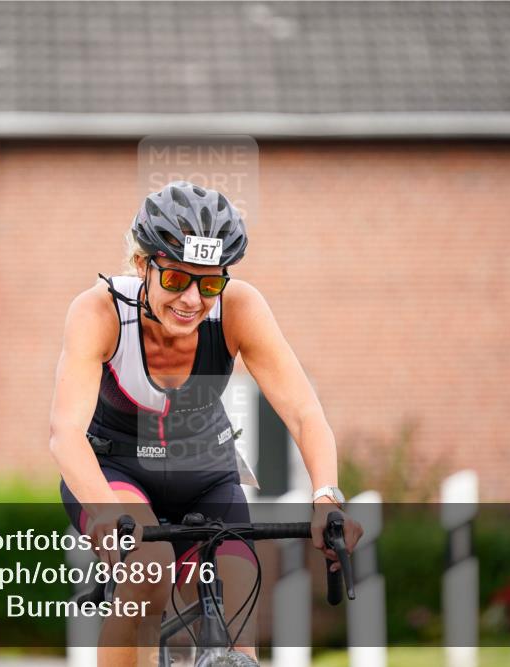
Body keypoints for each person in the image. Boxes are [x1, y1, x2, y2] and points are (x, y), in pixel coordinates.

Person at [50, 181, 362, 666]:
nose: (193, 299)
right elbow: (65, 433)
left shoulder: (240, 309)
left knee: (239, 600)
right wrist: (106, 512)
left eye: (210, 284)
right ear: (142, 265)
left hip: (206, 476)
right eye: (176, 279)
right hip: (117, 474)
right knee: (148, 570)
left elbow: (305, 413)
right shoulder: (99, 312)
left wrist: (326, 497)